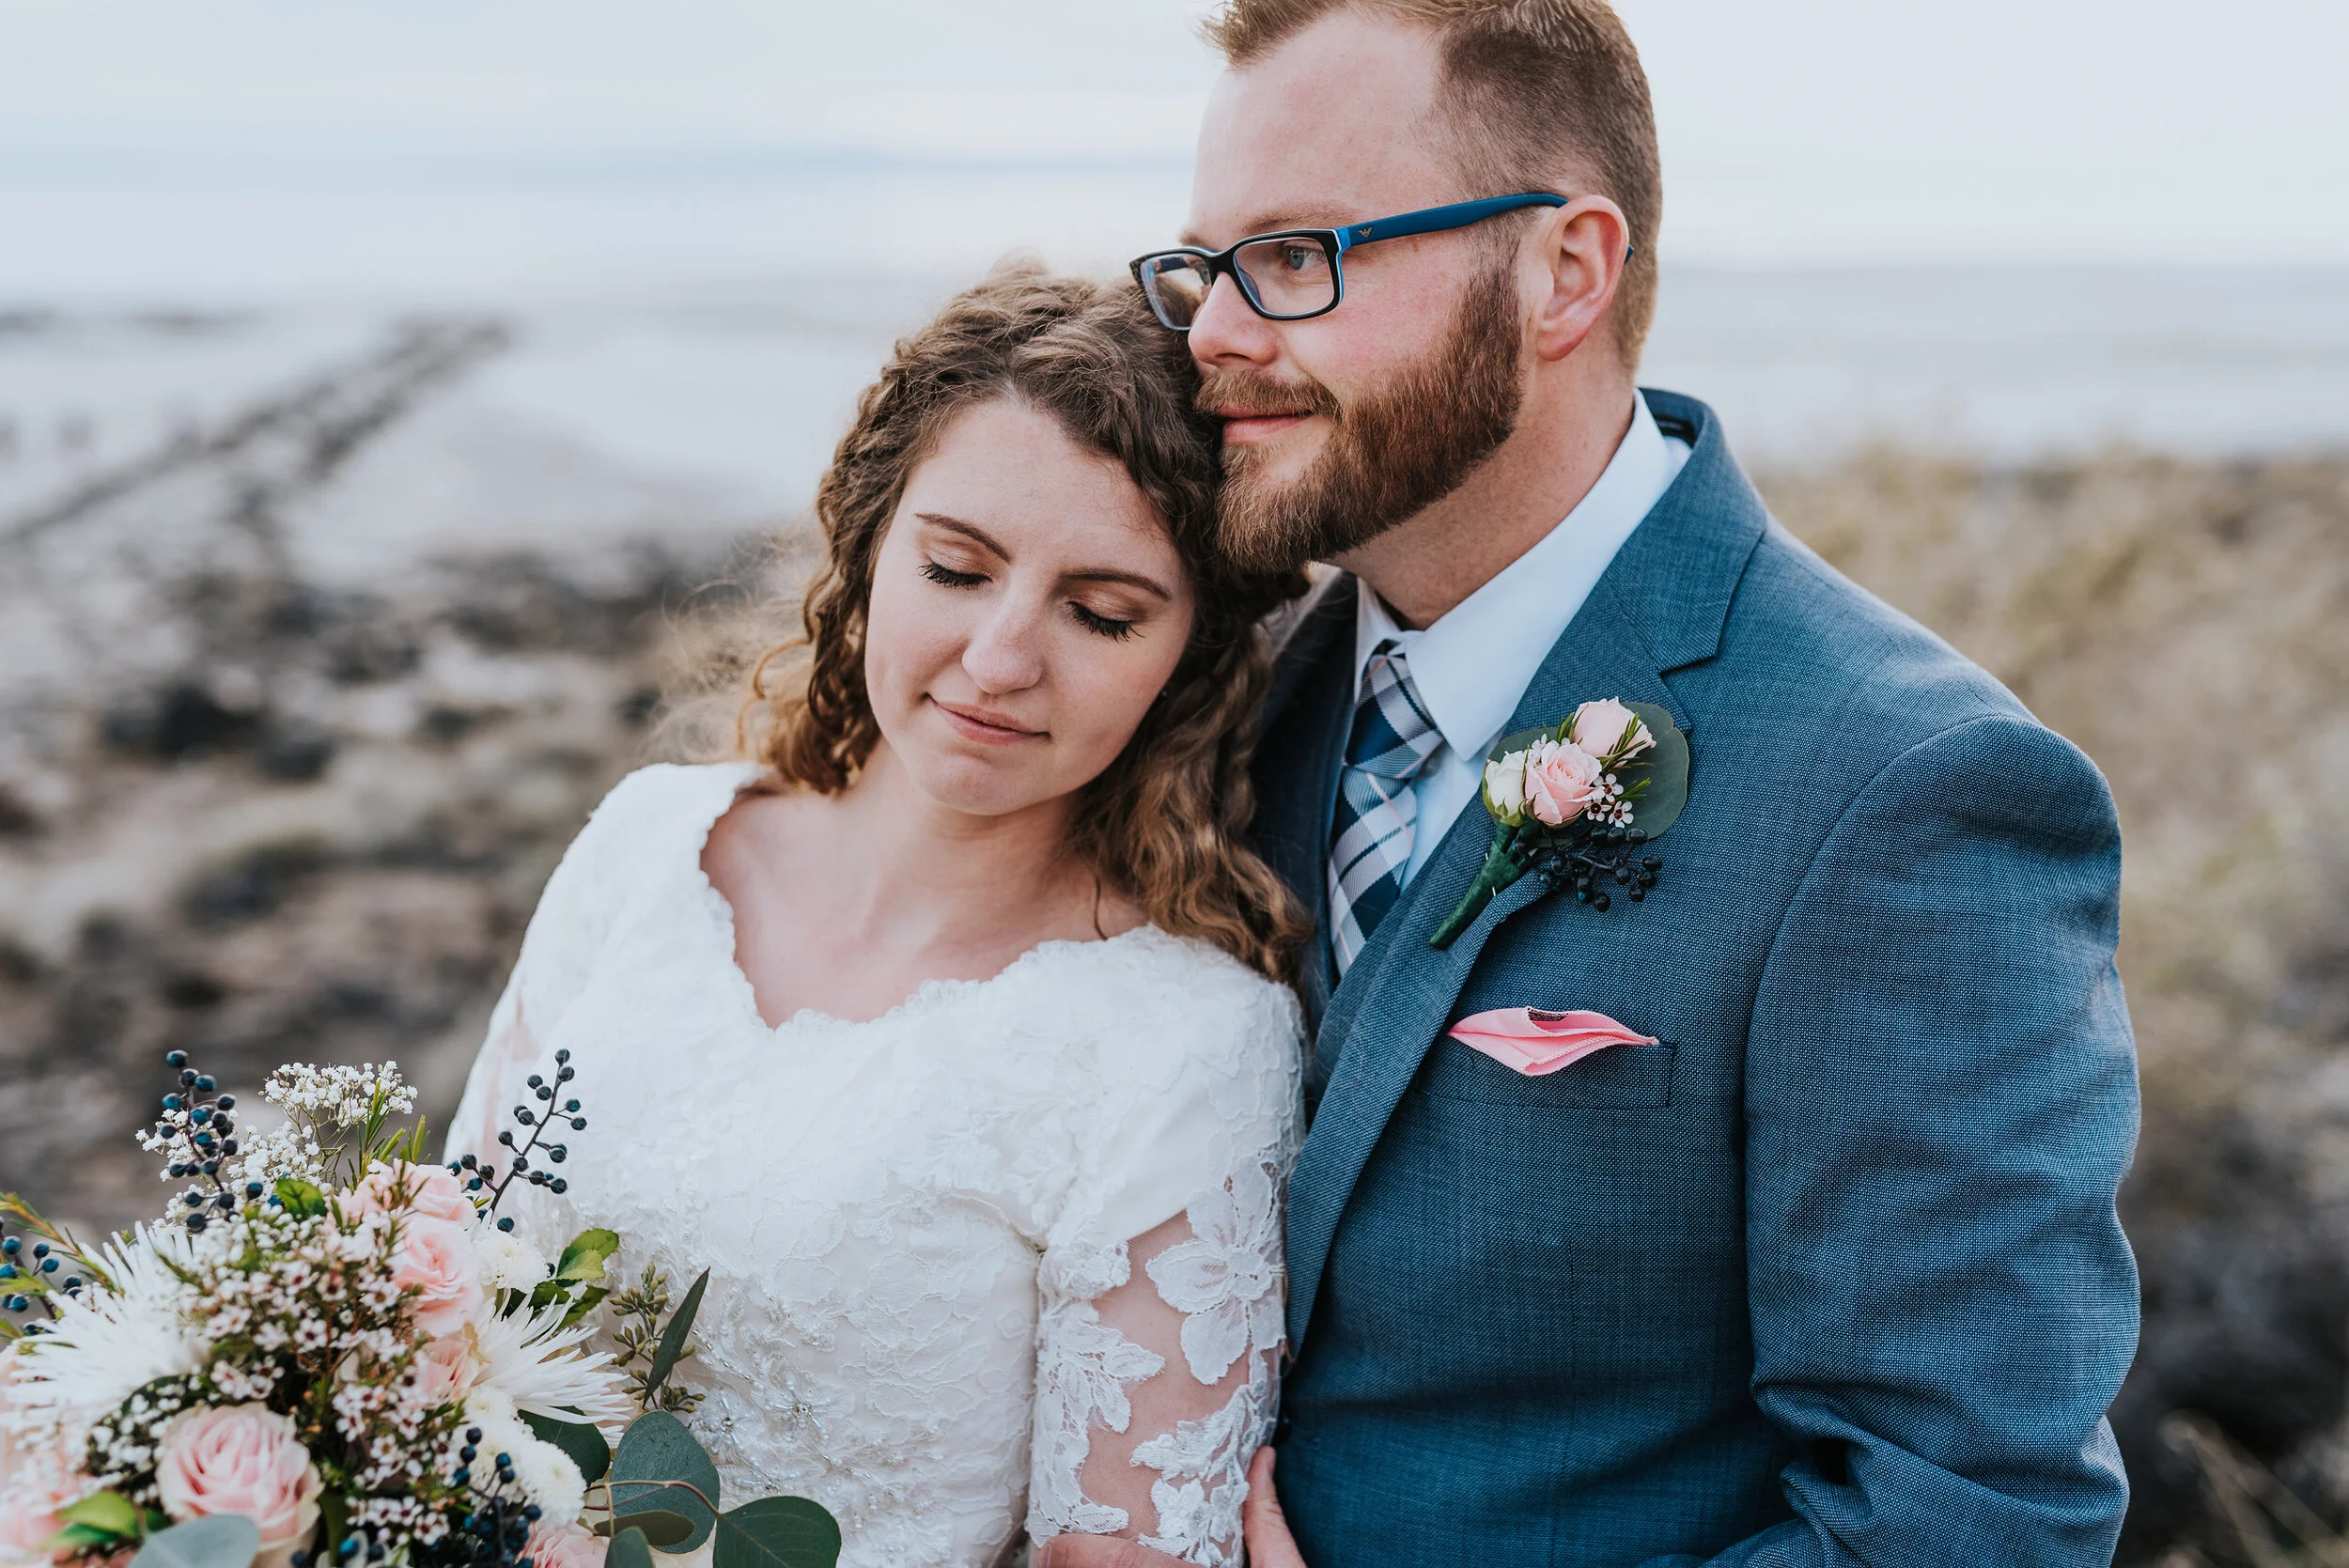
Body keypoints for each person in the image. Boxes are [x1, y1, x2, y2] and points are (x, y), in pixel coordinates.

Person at [1042, 1, 2140, 1565]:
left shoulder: (1913, 791)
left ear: (1566, 271)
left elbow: (1972, 1523)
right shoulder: (1219, 687)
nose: (1211, 332)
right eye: (1204, 266)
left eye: (1295, 258)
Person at [449, 268, 1311, 1568]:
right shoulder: (648, 847)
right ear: (867, 541)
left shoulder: (1183, 1046)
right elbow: (439, 1280)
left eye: (1101, 612)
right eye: (958, 569)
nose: (1003, 657)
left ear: (1189, 659)